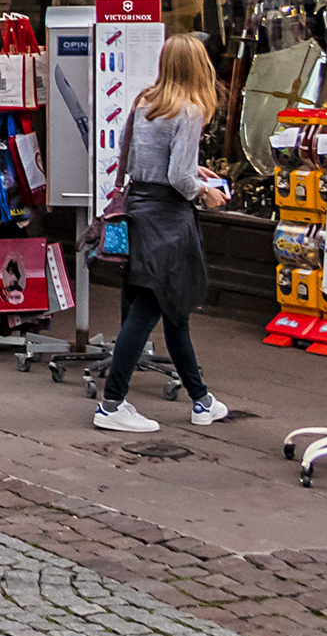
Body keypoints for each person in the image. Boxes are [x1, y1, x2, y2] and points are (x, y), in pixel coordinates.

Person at [95, 36, 233, 433]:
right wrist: (204, 191)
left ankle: (201, 400)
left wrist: (194, 170)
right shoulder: (189, 111)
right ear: (199, 67)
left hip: (140, 210)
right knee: (148, 314)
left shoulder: (144, 102)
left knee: (174, 312)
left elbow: (137, 161)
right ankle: (111, 404)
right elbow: (177, 177)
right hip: (169, 224)